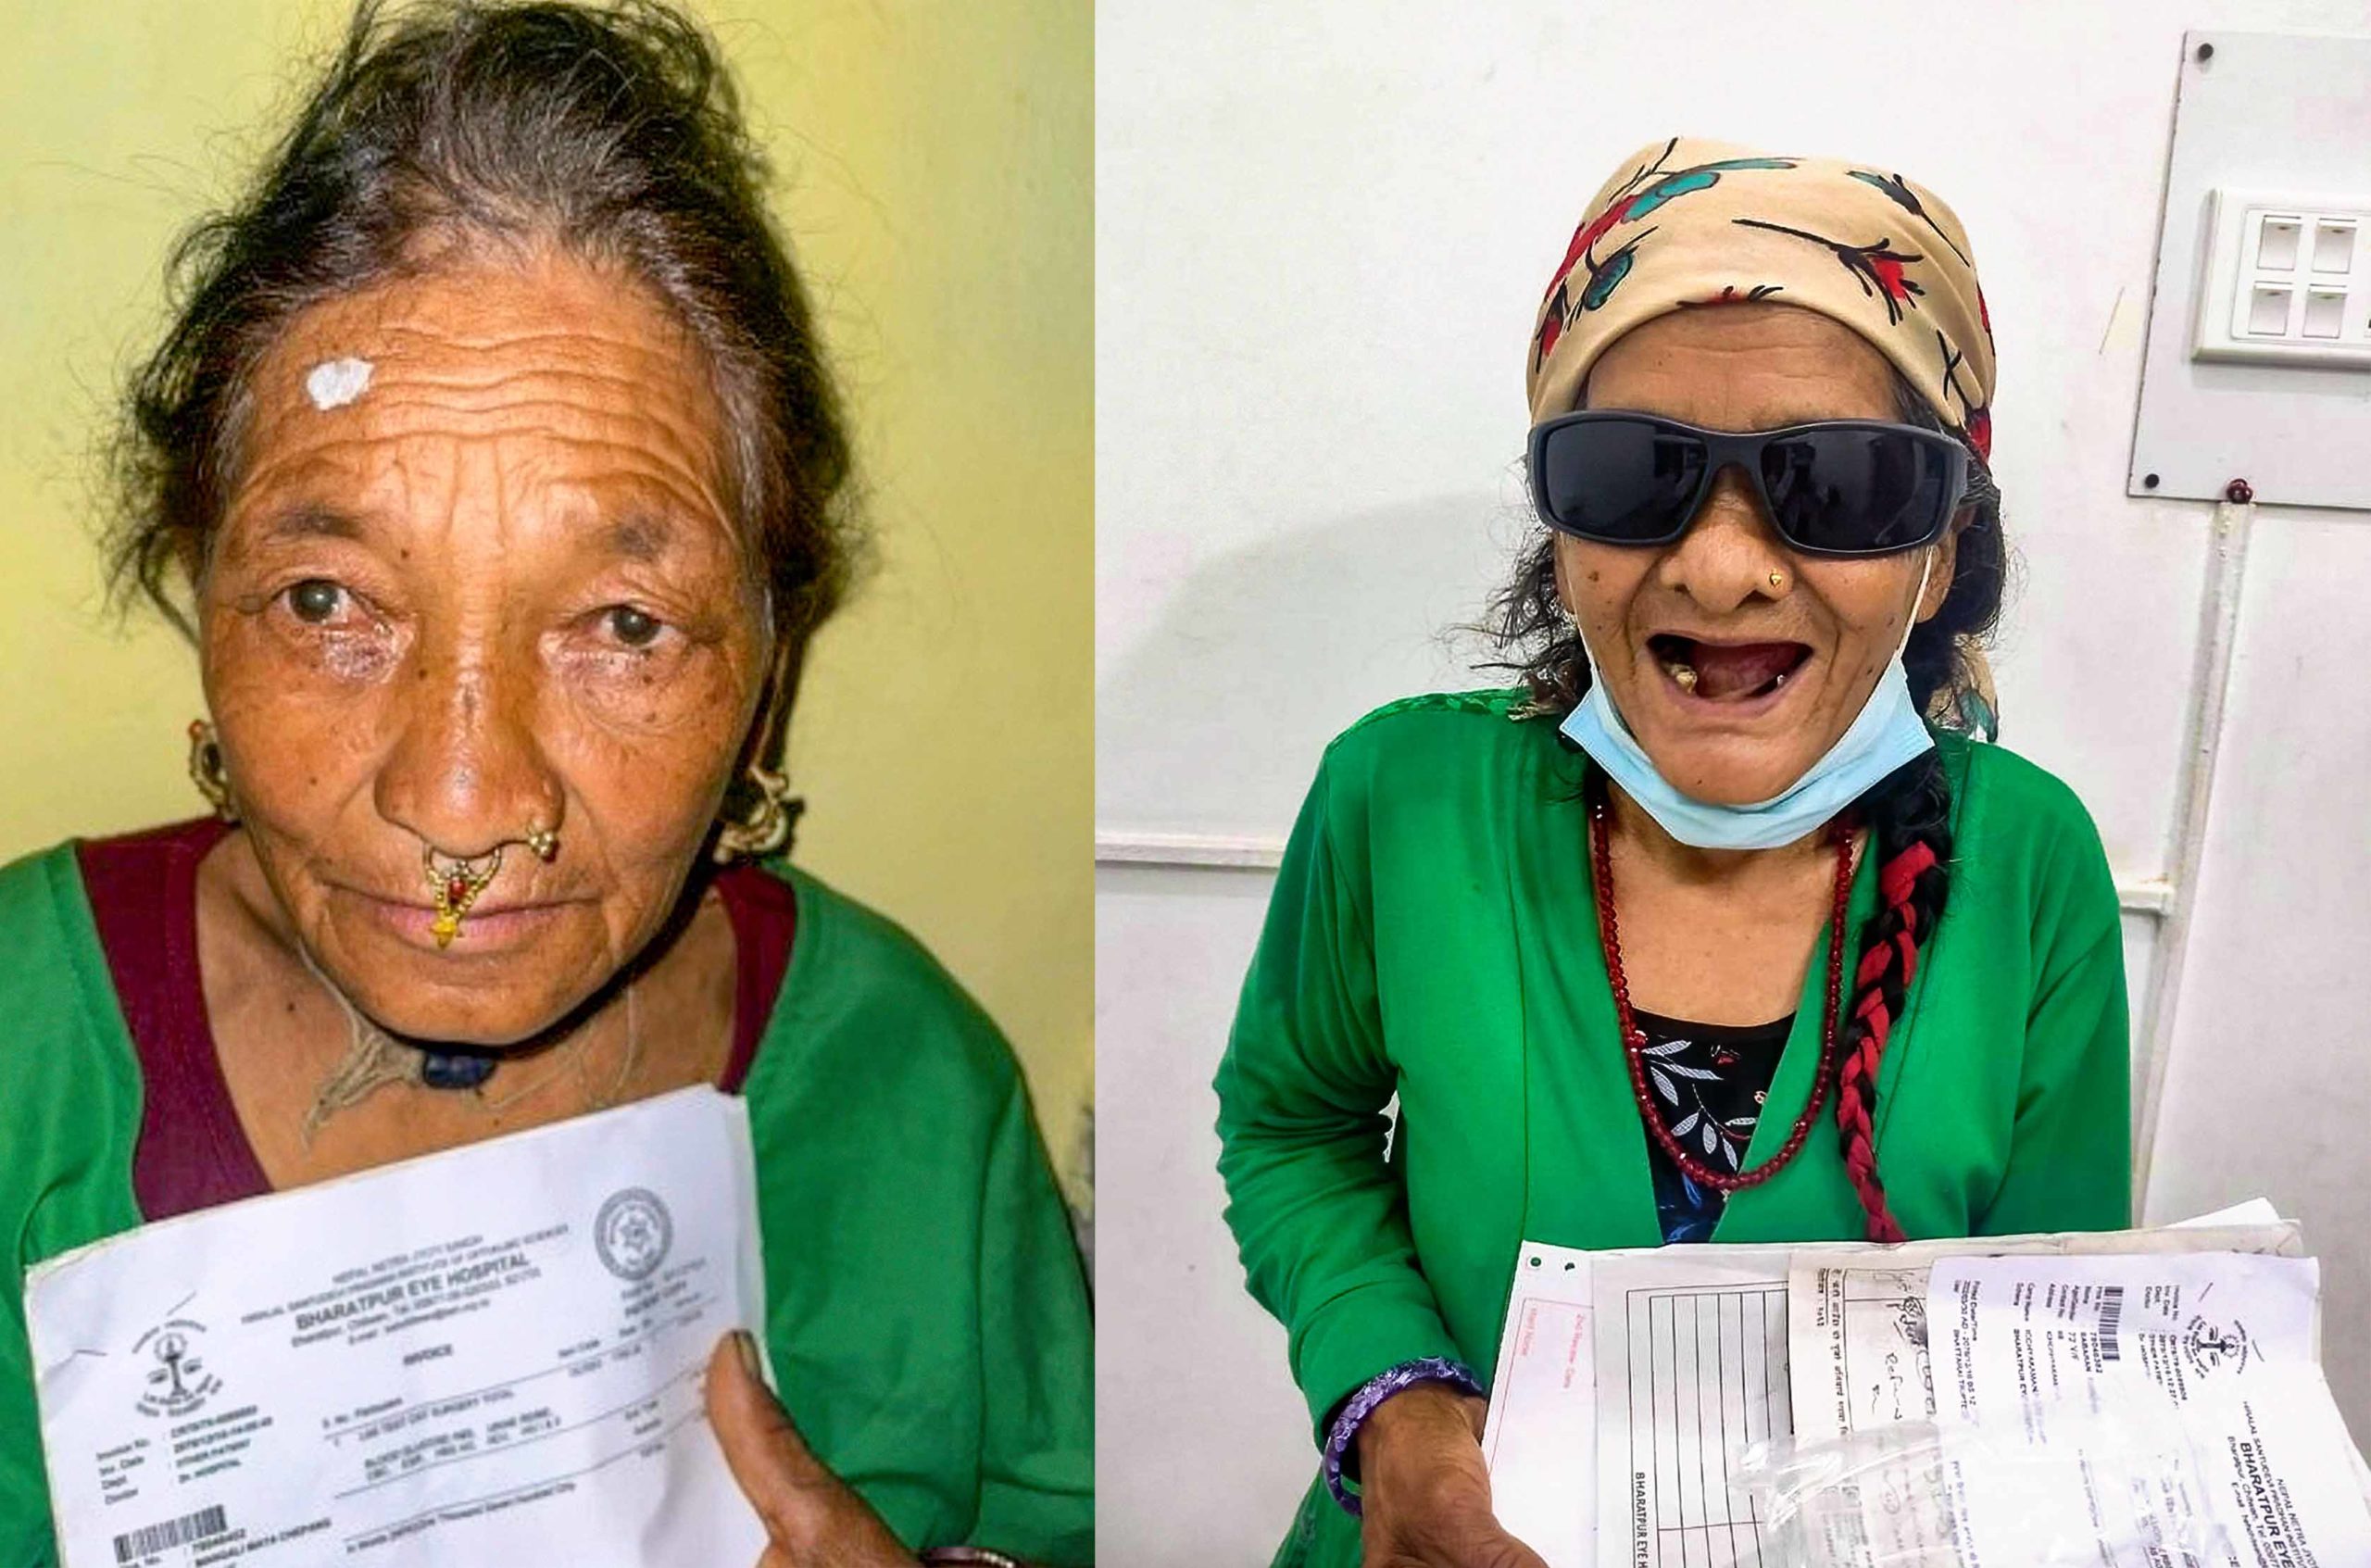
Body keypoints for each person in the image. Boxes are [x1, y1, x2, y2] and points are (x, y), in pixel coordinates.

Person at [0, 5, 1091, 1564]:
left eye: (623, 627)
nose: (458, 808)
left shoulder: (912, 1090)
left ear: (765, 681)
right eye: (326, 603)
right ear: (207, 601)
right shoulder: (20, 1044)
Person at [1212, 136, 2128, 1568]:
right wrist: (1392, 1403)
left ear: (1940, 551)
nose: (1719, 565)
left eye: (1833, 482)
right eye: (1638, 472)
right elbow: (1290, 1128)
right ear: (1561, 529)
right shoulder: (1402, 797)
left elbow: (2041, 1328)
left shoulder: (2030, 865)